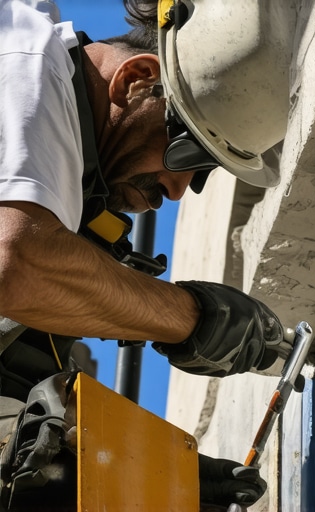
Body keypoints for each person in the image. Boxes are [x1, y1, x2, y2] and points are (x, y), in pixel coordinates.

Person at [0, 0, 283, 509]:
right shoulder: (26, 63)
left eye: (202, 177)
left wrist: (146, 474)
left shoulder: (69, 209)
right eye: (187, 154)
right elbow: (14, 266)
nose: (175, 191)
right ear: (135, 78)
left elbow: (20, 423)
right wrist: (192, 319)